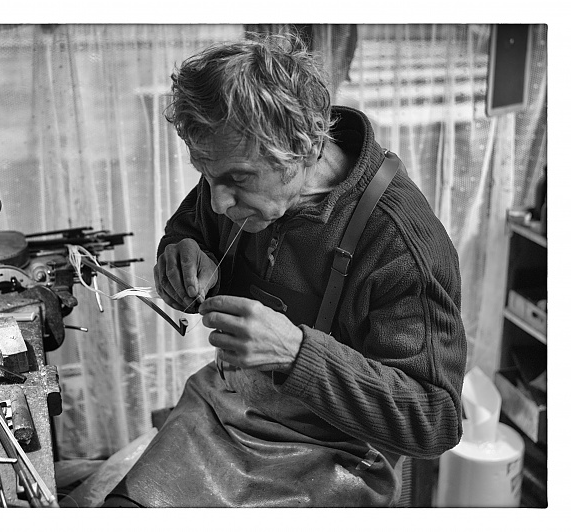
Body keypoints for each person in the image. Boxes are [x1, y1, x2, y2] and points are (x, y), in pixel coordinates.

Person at [104, 32, 467, 507]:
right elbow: (193, 224)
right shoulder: (237, 170)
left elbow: (435, 420)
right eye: (206, 176)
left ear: (304, 147)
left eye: (236, 179)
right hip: (223, 408)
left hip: (331, 455)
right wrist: (182, 251)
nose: (218, 201)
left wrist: (296, 354)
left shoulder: (400, 243)